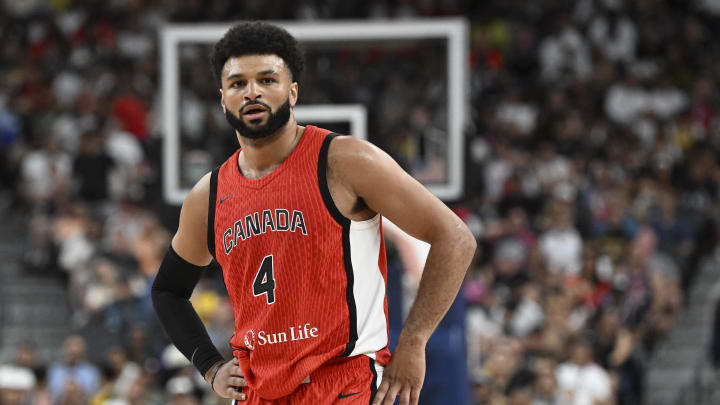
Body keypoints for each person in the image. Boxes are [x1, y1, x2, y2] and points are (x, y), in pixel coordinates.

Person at [151, 21, 476, 405]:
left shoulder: (346, 161)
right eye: (238, 83)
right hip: (259, 392)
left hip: (346, 383)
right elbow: (168, 291)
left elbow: (455, 237)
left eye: (267, 80)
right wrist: (210, 365)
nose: (252, 91)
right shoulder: (209, 195)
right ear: (223, 98)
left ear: (292, 92)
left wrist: (415, 341)